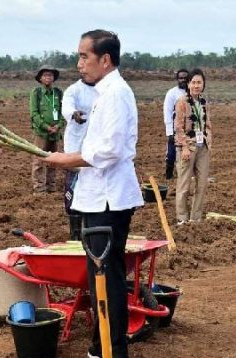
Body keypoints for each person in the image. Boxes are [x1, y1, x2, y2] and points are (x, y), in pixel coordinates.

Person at [42, 29, 142, 358]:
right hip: (100, 195)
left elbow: (108, 150)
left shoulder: (114, 93)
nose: (79, 63)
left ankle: (111, 350)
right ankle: (102, 346)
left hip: (107, 198)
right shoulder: (104, 91)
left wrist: (63, 159)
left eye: (84, 56)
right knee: (101, 274)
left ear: (105, 59)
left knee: (106, 276)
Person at [175, 68, 212, 224]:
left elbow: (208, 124)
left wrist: (209, 141)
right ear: (188, 84)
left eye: (199, 82)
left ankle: (195, 218)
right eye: (194, 82)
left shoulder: (204, 102)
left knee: (202, 184)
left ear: (203, 85)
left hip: (202, 146)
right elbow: (178, 126)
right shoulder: (182, 101)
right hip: (188, 147)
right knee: (184, 184)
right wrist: (183, 146)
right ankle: (182, 218)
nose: (196, 85)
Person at [61, 77, 96, 240]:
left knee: (93, 188)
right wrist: (73, 114)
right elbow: (66, 106)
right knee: (73, 188)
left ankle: (92, 230)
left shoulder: (105, 89)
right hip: (76, 147)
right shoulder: (73, 90)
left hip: (96, 148)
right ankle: (75, 234)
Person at [30, 65, 66, 193]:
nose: (48, 77)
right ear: (40, 78)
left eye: (50, 75)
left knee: (54, 160)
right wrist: (46, 127)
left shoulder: (58, 93)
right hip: (41, 133)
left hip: (55, 133)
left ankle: (51, 186)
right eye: (45, 75)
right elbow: (34, 114)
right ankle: (39, 188)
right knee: (39, 160)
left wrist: (58, 125)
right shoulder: (37, 93)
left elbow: (64, 112)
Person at [163, 69, 189, 179]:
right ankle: (169, 174)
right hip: (175, 127)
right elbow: (167, 112)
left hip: (188, 127)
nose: (183, 80)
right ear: (177, 79)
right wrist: (169, 132)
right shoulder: (172, 93)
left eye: (185, 78)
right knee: (172, 153)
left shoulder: (192, 92)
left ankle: (185, 174)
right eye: (180, 78)